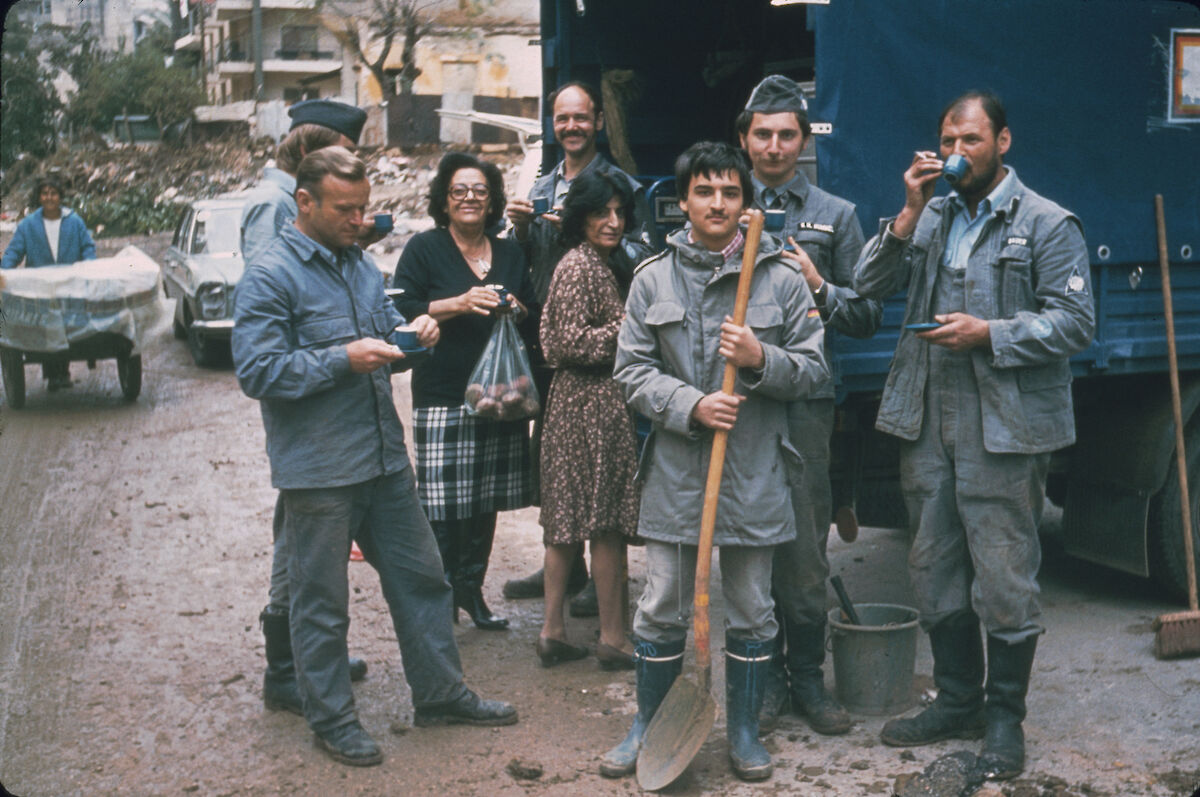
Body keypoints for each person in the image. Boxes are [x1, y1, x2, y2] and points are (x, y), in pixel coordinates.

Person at [233, 146, 517, 767]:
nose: (358, 220)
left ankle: (440, 694)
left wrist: (414, 337)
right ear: (304, 202)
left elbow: (388, 326)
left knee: (423, 579)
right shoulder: (271, 274)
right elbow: (256, 370)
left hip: (384, 461)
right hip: (319, 470)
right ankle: (332, 720)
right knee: (321, 602)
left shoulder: (360, 265)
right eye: (345, 209)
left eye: (364, 208)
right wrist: (344, 358)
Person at [852, 90, 1094, 781]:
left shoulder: (1047, 223)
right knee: (932, 567)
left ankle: (1003, 722)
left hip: (1005, 420)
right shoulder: (932, 214)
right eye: (948, 141)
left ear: (1004, 142)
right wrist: (906, 212)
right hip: (929, 415)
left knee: (1004, 573)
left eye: (973, 140)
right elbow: (869, 285)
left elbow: (1076, 322)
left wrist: (991, 333)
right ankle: (958, 698)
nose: (958, 153)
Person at [603, 141, 828, 782]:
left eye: (731, 192)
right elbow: (631, 371)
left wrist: (760, 358)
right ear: (683, 202)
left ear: (746, 202)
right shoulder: (653, 278)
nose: (719, 203)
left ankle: (746, 732)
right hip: (678, 473)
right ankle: (649, 724)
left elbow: (813, 371)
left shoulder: (780, 279)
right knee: (664, 601)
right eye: (705, 191)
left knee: (754, 606)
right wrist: (691, 405)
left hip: (756, 470)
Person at [736, 75, 883, 734]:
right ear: (744, 141)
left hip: (804, 406)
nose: (774, 146)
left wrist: (820, 285)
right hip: (736, 402)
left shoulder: (836, 214)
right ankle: (760, 677)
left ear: (804, 140)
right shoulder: (720, 204)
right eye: (762, 133)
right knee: (746, 544)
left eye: (786, 134)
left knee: (801, 552)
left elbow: (868, 314)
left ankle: (806, 678)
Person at [239, 99, 377, 716]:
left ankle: (303, 657)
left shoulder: (292, 206)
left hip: (326, 397)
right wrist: (339, 353)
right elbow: (274, 314)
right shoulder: (273, 211)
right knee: (297, 544)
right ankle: (288, 667)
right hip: (307, 406)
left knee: (300, 539)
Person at [501, 80, 655, 609]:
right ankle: (573, 573)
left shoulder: (618, 185)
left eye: (581, 118)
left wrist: (590, 236)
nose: (571, 127)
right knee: (559, 462)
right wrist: (522, 230)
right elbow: (524, 265)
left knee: (608, 466)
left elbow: (642, 251)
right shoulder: (541, 186)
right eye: (562, 119)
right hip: (547, 334)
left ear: (598, 123)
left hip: (601, 337)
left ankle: (606, 582)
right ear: (553, 123)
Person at [391, 152, 536, 631]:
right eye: (459, 191)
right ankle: (439, 600)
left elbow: (531, 308)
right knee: (441, 506)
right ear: (444, 200)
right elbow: (401, 309)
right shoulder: (424, 249)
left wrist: (514, 305)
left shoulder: (510, 250)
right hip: (443, 392)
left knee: (483, 501)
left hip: (501, 396)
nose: (470, 198)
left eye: (479, 190)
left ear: (492, 199)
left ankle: (472, 593)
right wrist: (458, 303)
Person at [535, 170, 641, 670]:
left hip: (574, 404)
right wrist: (628, 330)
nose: (614, 222)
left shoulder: (583, 263)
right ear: (581, 217)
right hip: (592, 402)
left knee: (564, 521)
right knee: (604, 522)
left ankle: (554, 631)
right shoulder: (581, 266)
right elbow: (565, 343)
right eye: (602, 212)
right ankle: (615, 638)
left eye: (619, 212)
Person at [2, 175, 97, 391]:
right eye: (45, 193)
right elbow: (14, 252)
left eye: (53, 193)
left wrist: (91, 268)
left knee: (67, 326)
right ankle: (55, 376)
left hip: (69, 286)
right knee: (47, 328)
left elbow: (88, 248)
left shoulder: (74, 222)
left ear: (60, 197)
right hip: (40, 288)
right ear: (39, 197)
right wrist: (3, 272)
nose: (49, 197)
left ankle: (60, 373)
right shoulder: (28, 225)